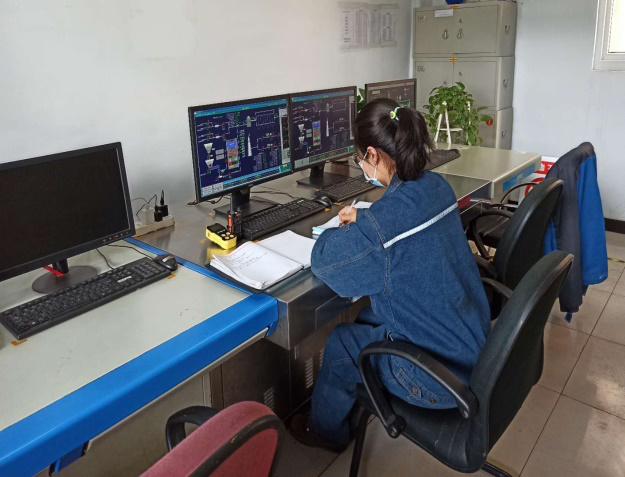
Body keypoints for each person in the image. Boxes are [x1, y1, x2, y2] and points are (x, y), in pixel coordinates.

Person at [289, 98, 491, 451]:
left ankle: (324, 433)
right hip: (473, 346)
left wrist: (346, 228)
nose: (362, 166)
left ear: (373, 154)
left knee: (341, 342)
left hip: (438, 381)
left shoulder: (381, 232)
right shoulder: (437, 186)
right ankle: (351, 397)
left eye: (359, 159)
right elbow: (402, 226)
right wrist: (368, 220)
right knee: (368, 317)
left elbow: (324, 262)